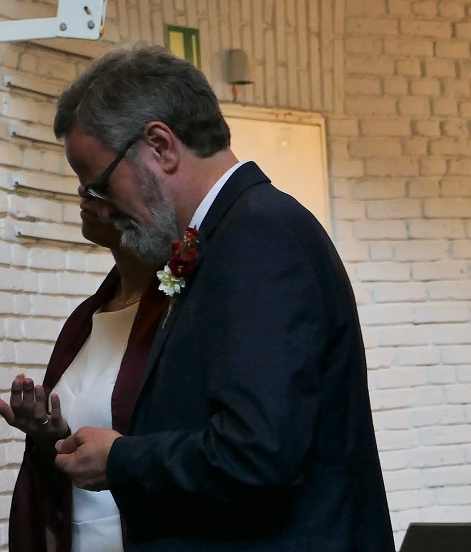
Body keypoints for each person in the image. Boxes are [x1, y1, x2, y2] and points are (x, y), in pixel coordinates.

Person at [49, 45, 393, 551]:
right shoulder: (223, 235)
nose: (102, 207)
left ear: (161, 145)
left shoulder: (258, 238)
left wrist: (122, 460)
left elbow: (258, 452)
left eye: (101, 184)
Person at [0, 192, 164, 552]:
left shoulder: (173, 315)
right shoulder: (87, 317)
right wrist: (47, 434)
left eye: (101, 181)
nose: (84, 191)